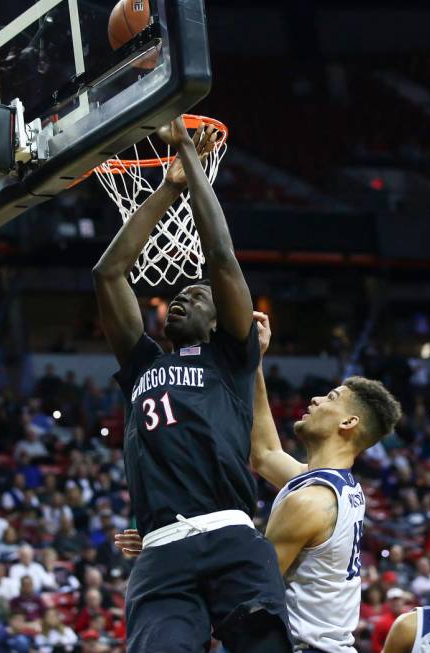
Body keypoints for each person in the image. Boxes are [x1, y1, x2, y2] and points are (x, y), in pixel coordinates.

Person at [92, 116, 291, 653]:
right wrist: (168, 188)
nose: (183, 295)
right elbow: (109, 275)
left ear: (223, 317)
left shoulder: (231, 356)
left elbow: (222, 256)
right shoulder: (141, 363)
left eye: (198, 296)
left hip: (230, 536)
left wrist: (193, 163)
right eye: (180, 293)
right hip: (161, 554)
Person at [116, 311, 403, 653]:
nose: (316, 399)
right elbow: (265, 453)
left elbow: (233, 587)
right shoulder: (329, 486)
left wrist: (176, 541)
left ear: (349, 422)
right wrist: (253, 359)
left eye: (331, 398)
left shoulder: (309, 503)